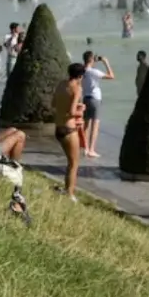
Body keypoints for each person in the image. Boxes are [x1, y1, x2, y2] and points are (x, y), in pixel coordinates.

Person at [51, 62, 86, 201]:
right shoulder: (77, 88)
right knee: (74, 163)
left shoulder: (61, 84)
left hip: (58, 127)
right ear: (81, 76)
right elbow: (72, 111)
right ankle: (70, 194)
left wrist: (74, 106)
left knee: (70, 162)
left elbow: (53, 104)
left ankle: (67, 189)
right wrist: (80, 110)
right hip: (69, 129)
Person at [81, 51, 114, 158]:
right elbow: (111, 76)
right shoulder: (93, 72)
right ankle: (91, 149)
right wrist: (106, 62)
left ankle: (84, 148)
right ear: (91, 60)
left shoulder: (82, 71)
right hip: (95, 99)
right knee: (95, 125)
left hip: (85, 98)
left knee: (86, 124)